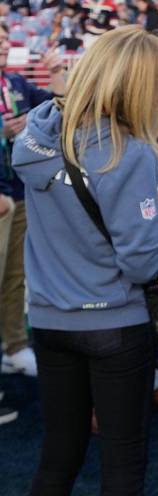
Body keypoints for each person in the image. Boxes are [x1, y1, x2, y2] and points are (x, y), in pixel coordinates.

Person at [14, 26, 158, 494]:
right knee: (123, 463)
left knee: (58, 456)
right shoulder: (128, 152)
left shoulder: (35, 136)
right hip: (113, 323)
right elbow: (143, 263)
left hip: (48, 320)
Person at [0, 27, 67, 381]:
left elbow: (58, 104)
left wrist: (57, 73)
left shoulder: (15, 83)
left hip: (18, 190)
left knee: (14, 276)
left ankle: (13, 345)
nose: (2, 44)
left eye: (4, 39)